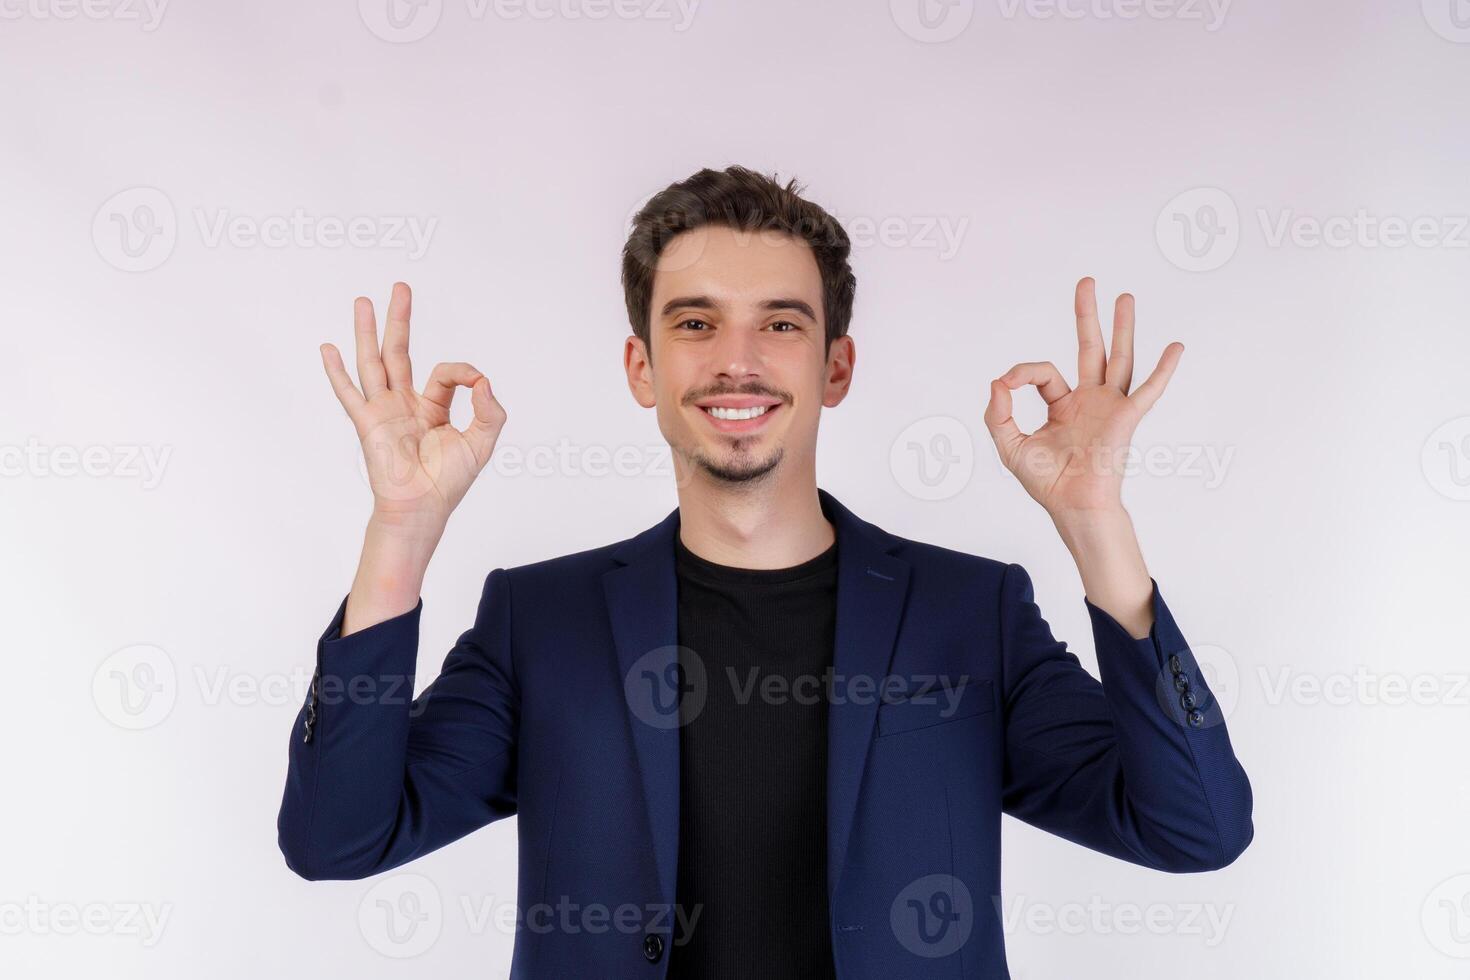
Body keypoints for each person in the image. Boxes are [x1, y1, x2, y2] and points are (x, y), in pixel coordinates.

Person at [277, 165, 1253, 979]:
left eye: (781, 324)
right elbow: (338, 836)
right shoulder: (542, 619)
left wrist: (1097, 528)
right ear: (642, 369)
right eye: (696, 323)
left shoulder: (971, 614)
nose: (736, 361)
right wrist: (400, 534)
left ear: (836, 366)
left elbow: (1196, 826)